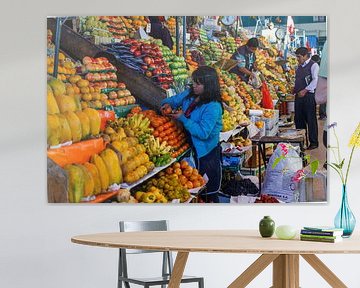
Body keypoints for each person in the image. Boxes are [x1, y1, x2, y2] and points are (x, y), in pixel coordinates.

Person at [160, 66, 223, 203]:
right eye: (194, 82)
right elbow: (173, 100)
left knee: (207, 193)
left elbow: (203, 133)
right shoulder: (190, 94)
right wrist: (166, 105)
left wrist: (183, 118)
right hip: (189, 148)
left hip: (206, 153)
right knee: (192, 189)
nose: (194, 86)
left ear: (208, 85)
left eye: (198, 83)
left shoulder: (213, 107)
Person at [293, 47, 320, 150]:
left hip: (308, 96)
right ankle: (301, 142)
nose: (297, 59)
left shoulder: (314, 65)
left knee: (310, 119)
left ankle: (313, 142)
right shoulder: (300, 66)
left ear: (305, 56)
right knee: (299, 119)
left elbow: (315, 80)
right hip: (299, 96)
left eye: (299, 57)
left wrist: (305, 90)